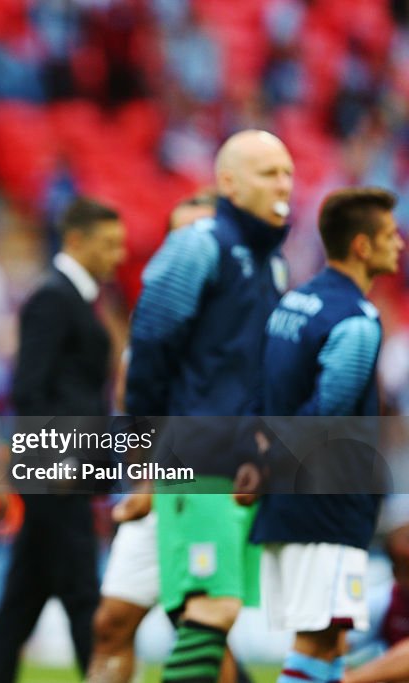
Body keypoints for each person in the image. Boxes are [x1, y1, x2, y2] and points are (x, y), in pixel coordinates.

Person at [126, 129, 294, 683]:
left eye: (288, 172)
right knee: (208, 608)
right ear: (229, 182)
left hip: (241, 457)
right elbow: (150, 341)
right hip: (195, 450)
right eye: (269, 172)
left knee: (217, 614)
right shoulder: (200, 244)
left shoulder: (271, 263)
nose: (284, 184)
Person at [250, 187, 403, 683]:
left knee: (329, 640)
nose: (399, 244)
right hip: (327, 502)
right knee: (317, 638)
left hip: (290, 501)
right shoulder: (357, 321)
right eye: (388, 235)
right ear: (361, 246)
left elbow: (264, 392)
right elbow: (325, 415)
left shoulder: (293, 303)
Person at [0, 197, 126, 682]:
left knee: (24, 594)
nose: (118, 255)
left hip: (63, 468)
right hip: (59, 469)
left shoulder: (73, 297)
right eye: (109, 244)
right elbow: (28, 387)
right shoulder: (54, 297)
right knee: (83, 591)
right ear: (76, 240)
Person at [91, 191, 223, 683]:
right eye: (180, 236)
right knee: (113, 622)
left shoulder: (239, 323)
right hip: (152, 489)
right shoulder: (156, 317)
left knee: (200, 626)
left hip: (208, 490)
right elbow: (132, 407)